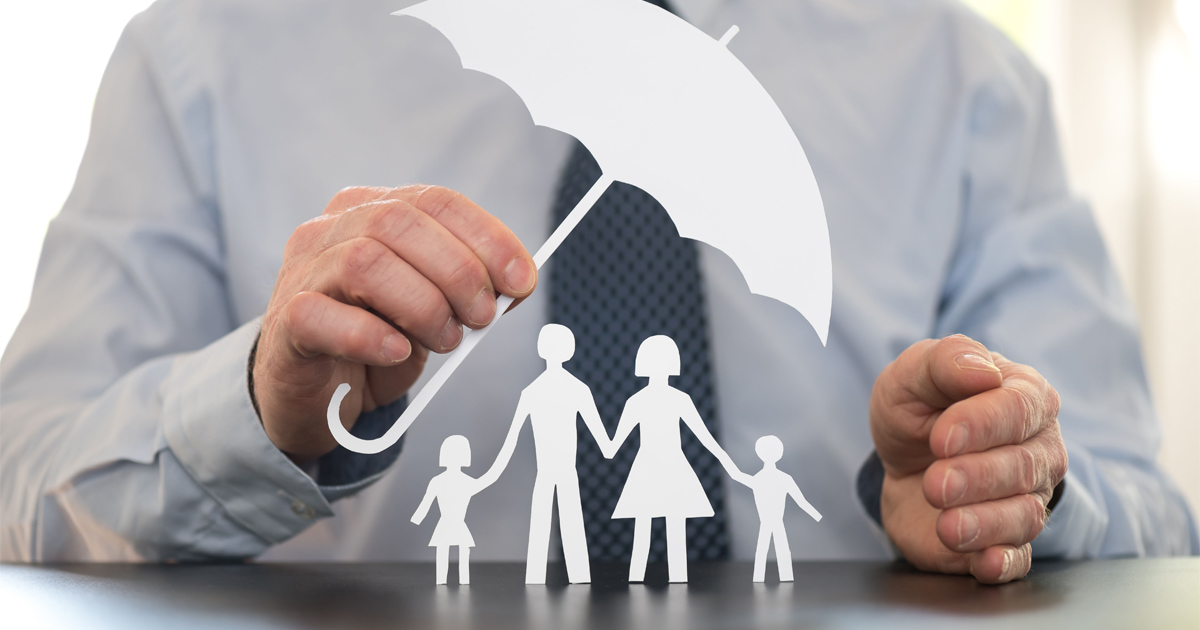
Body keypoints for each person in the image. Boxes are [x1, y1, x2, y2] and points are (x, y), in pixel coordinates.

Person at [1, 0, 1195, 581]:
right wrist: (258, 410)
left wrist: (1001, 492)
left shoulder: (965, 79)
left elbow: (1148, 516)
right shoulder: (209, 48)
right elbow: (24, 481)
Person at [480, 323, 612, 585]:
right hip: (562, 473)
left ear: (542, 348)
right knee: (568, 524)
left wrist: (487, 477)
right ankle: (575, 576)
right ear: (570, 349)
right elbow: (605, 444)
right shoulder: (577, 389)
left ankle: (546, 577)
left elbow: (511, 440)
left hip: (549, 474)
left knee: (542, 526)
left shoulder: (533, 391)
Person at [606, 336, 745, 583]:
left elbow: (611, 448)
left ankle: (652, 578)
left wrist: (733, 469)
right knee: (665, 530)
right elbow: (706, 440)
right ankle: (655, 578)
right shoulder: (673, 399)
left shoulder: (641, 401)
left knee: (650, 529)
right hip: (661, 469)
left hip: (659, 469)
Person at [730, 435, 823, 583]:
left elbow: (735, 475)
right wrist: (816, 516)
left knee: (766, 551)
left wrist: (818, 517)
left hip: (771, 522)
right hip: (771, 522)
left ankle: (768, 577)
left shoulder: (758, 479)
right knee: (776, 551)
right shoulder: (781, 478)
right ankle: (773, 577)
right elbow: (801, 502)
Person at [411, 434, 496, 585]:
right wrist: (415, 520)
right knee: (448, 554)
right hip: (446, 525)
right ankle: (446, 580)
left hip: (456, 524)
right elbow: (426, 503)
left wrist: (416, 520)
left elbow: (489, 479)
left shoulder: (455, 481)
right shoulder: (441, 481)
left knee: (460, 554)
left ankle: (461, 581)